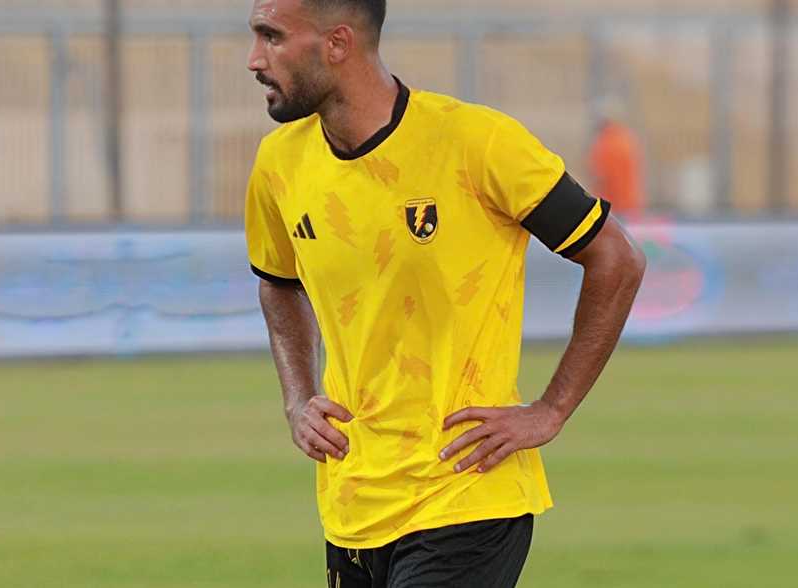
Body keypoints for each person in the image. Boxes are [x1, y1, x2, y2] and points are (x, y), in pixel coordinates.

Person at [243, 1, 646, 586]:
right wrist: (297, 396)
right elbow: (278, 283)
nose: (254, 59)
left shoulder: (475, 142)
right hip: (352, 500)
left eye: (272, 37)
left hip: (467, 493)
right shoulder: (278, 163)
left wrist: (551, 409)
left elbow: (616, 257)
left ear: (337, 43)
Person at [588, 97, 647, 219]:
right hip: (631, 206)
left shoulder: (603, 144)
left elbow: (600, 178)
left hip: (611, 209)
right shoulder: (627, 138)